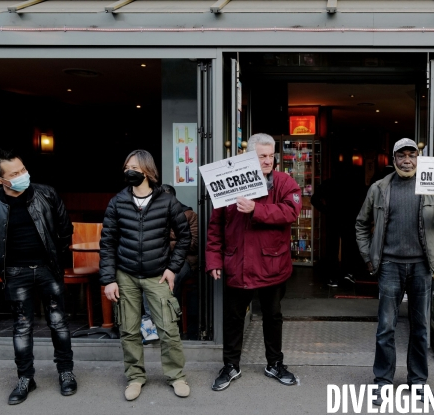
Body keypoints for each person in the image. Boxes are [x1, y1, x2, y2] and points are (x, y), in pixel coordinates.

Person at [355, 138, 434, 403]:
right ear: (393, 158)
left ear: (419, 158)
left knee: (419, 327)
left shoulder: (431, 185)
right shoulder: (379, 188)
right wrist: (369, 258)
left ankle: (418, 380)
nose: (407, 160)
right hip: (389, 266)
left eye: (412, 155)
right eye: (402, 155)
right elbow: (361, 224)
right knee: (386, 327)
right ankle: (383, 381)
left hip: (422, 266)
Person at [206, 133, 302, 391]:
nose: (268, 161)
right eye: (262, 156)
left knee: (273, 316)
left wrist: (256, 210)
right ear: (249, 156)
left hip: (272, 266)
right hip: (237, 264)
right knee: (234, 318)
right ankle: (231, 366)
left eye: (271, 156)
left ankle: (275, 363)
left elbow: (291, 211)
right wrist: (214, 260)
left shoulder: (284, 182)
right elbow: (215, 226)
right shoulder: (228, 181)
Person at [99, 149, 192, 401]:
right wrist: (108, 279)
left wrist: (172, 268)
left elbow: (185, 237)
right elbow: (107, 242)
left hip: (157, 275)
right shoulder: (118, 201)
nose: (129, 171)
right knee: (128, 330)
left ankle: (176, 376)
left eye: (135, 167)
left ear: (148, 171)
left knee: (168, 328)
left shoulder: (167, 201)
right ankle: (135, 377)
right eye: (127, 166)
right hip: (125, 274)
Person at [0, 148, 77, 405]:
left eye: (23, 169)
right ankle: (26, 378)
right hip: (15, 272)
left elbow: (64, 230)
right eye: (14, 174)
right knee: (22, 327)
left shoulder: (46, 193)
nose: (22, 176)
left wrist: (54, 259)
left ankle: (65, 372)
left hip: (47, 268)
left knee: (59, 323)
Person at [141, 183, 199, 343]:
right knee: (148, 276)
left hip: (185, 260)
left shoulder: (189, 215)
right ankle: (151, 322)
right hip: (160, 261)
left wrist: (168, 244)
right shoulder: (154, 215)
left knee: (170, 280)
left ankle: (169, 324)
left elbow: (194, 244)